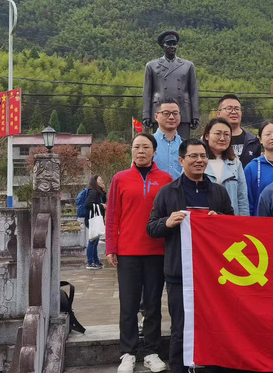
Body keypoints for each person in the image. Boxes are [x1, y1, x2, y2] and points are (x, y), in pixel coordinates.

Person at [147, 139, 234, 373]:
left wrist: (220, 222)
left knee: (215, 324)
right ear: (181, 160)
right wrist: (167, 222)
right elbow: (151, 228)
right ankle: (179, 368)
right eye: (193, 156)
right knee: (181, 326)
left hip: (213, 274)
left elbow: (233, 226)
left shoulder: (218, 192)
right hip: (179, 273)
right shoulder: (167, 193)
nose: (199, 161)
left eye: (203, 156)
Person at [105, 133, 173, 373]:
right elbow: (112, 215)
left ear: (154, 151)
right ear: (131, 151)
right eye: (136, 147)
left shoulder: (166, 179)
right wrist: (111, 247)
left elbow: (170, 216)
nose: (141, 151)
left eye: (145, 147)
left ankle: (151, 352)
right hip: (128, 251)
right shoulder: (120, 178)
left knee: (153, 304)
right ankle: (128, 352)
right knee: (129, 304)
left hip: (157, 251)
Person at [143, 30, 199, 138]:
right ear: (162, 45)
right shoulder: (151, 66)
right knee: (160, 143)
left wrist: (195, 114)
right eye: (169, 44)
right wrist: (146, 115)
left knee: (183, 144)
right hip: (160, 109)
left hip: (183, 110)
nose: (172, 46)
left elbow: (193, 92)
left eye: (174, 44)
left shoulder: (188, 66)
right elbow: (147, 93)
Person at [202, 117, 250, 216]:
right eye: (218, 134)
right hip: (205, 219)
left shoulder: (235, 162)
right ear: (207, 136)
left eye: (227, 134)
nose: (222, 138)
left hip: (231, 219)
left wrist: (244, 221)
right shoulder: (197, 161)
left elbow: (242, 198)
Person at [244, 120, 273, 216]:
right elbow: (248, 201)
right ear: (260, 139)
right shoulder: (252, 168)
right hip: (261, 221)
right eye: (268, 134)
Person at [216, 94, 261, 167]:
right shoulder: (210, 140)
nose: (234, 112)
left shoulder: (253, 141)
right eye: (229, 108)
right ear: (218, 114)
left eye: (237, 109)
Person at [152, 98, 183, 179]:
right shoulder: (148, 143)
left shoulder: (185, 145)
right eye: (166, 113)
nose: (171, 117)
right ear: (156, 116)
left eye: (175, 113)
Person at [85, 174, 106, 270]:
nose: (102, 181)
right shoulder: (92, 192)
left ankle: (96, 260)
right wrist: (101, 206)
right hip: (93, 219)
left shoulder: (97, 192)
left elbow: (103, 201)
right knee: (92, 240)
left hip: (96, 219)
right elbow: (89, 204)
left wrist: (103, 191)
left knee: (95, 241)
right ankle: (90, 262)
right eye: (100, 180)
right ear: (95, 181)